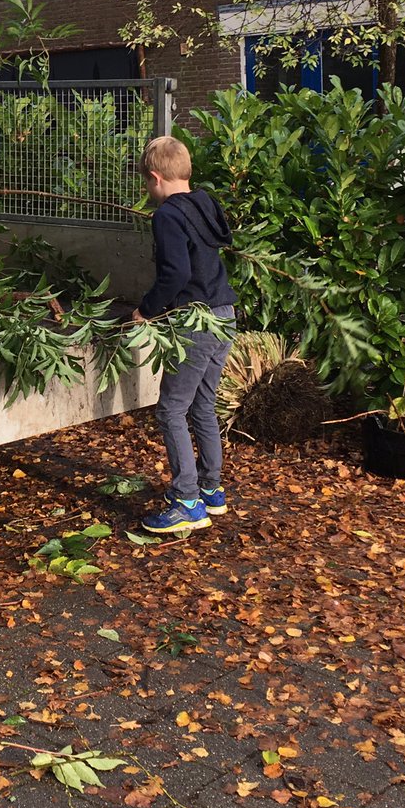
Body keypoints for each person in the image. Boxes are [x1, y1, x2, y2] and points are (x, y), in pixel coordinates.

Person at [132, 135, 237, 534]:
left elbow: (174, 273)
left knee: (171, 409)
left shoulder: (168, 215)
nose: (148, 191)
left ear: (156, 178)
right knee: (203, 405)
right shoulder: (205, 202)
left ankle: (186, 502)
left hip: (195, 321)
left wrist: (147, 309)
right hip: (224, 315)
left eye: (148, 184)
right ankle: (212, 489)